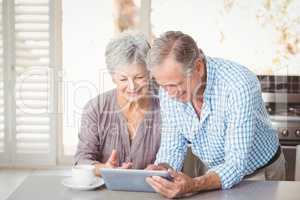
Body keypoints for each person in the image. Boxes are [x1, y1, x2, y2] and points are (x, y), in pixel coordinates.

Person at [145, 31, 286, 198]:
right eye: (163, 86)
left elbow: (235, 164)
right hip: (211, 174)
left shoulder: (238, 85)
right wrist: (162, 169)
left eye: (175, 85)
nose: (169, 94)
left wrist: (194, 184)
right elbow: (172, 147)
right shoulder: (169, 89)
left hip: (258, 175)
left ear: (197, 67)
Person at [74, 31, 161, 175]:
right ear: (113, 77)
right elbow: (81, 161)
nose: (132, 86)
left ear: (149, 72)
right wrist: (105, 169)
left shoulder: (167, 106)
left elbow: (175, 158)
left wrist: (161, 168)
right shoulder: (95, 108)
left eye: (139, 77)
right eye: (123, 79)